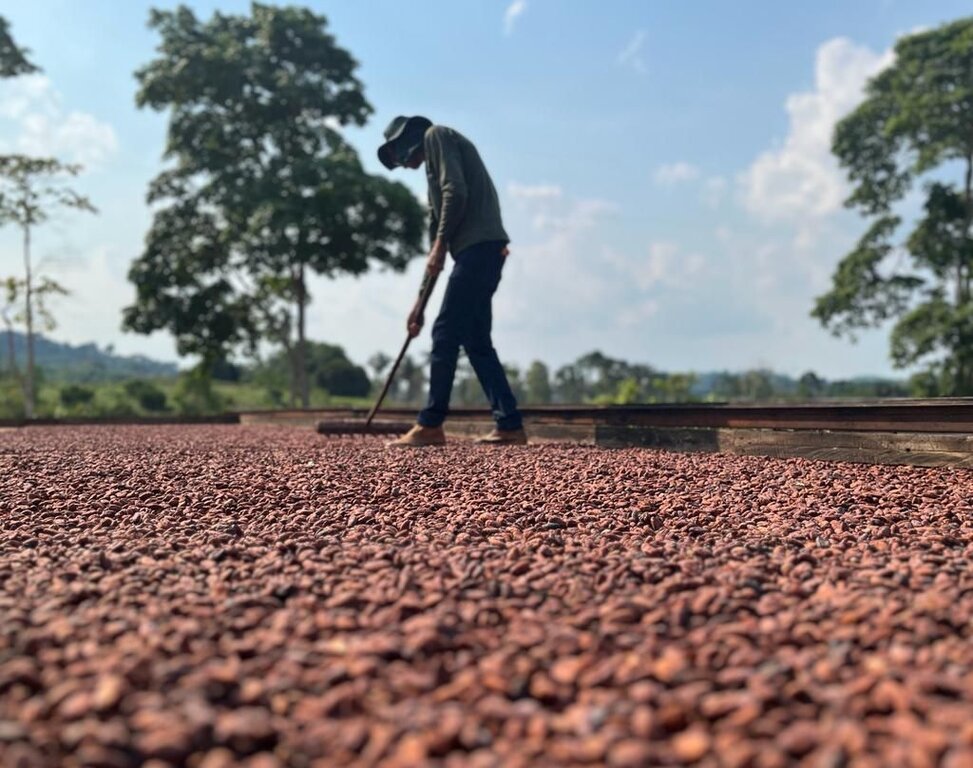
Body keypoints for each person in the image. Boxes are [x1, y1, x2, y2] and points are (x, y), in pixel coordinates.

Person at [378, 115, 527, 447]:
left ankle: (431, 424)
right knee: (476, 341)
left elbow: (455, 191)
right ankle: (510, 424)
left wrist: (443, 243)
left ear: (408, 140)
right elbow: (435, 253)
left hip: (480, 249)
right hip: (481, 253)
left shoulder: (436, 136)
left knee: (445, 332)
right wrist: (418, 305)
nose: (402, 165)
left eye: (398, 155)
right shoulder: (434, 182)